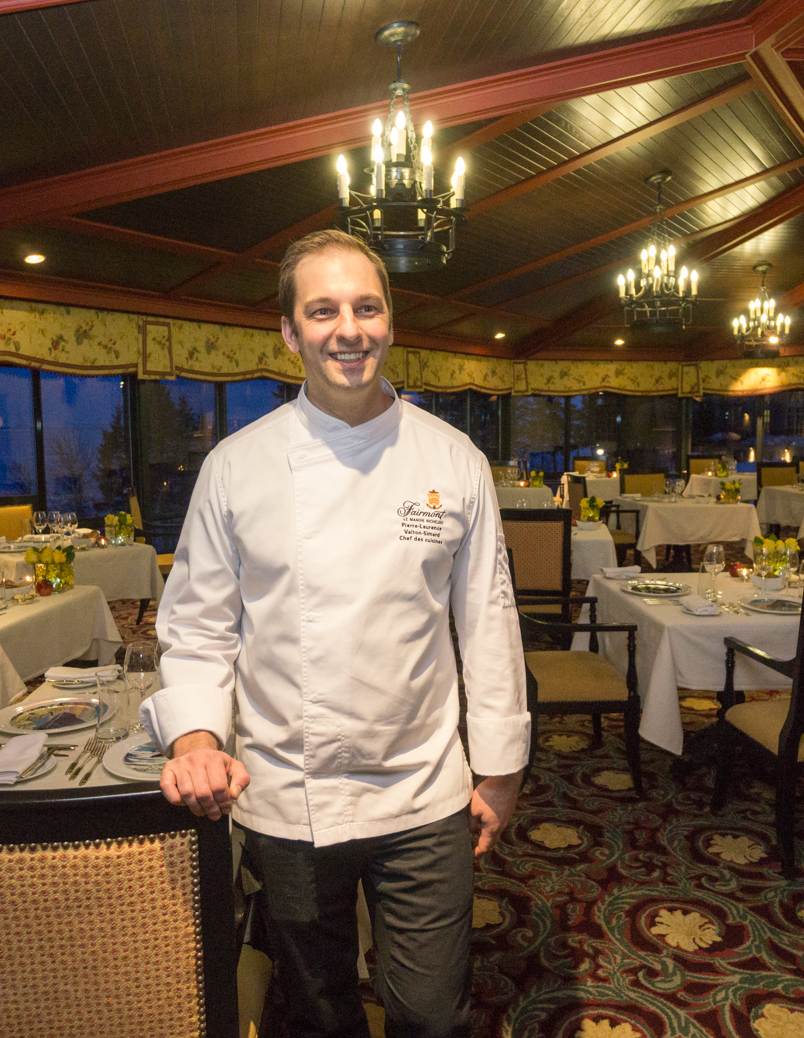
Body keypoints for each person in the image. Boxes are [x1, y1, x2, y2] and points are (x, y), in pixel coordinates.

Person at [140, 229, 529, 1038]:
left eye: (365, 307)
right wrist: (195, 742)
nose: (347, 329)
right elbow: (198, 628)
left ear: (390, 320)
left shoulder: (454, 461)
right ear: (289, 333)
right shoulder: (236, 467)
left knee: (429, 1011)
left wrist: (499, 769)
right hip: (286, 790)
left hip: (423, 786)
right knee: (317, 1010)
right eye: (322, 311)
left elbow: (488, 623)